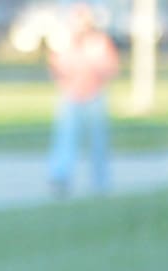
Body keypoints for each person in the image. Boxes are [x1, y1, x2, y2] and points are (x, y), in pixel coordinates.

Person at [45, 5, 118, 196]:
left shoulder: (99, 43)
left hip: (94, 97)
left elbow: (109, 68)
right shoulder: (66, 42)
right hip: (71, 96)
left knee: (98, 143)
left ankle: (100, 183)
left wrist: (95, 71)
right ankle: (61, 177)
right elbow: (56, 67)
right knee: (65, 139)